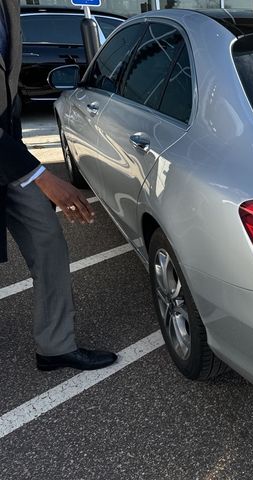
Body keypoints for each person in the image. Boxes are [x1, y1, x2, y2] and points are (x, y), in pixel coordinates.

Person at [0, 0, 117, 371]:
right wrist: (43, 176)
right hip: (14, 160)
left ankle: (54, 346)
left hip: (8, 150)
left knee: (46, 238)